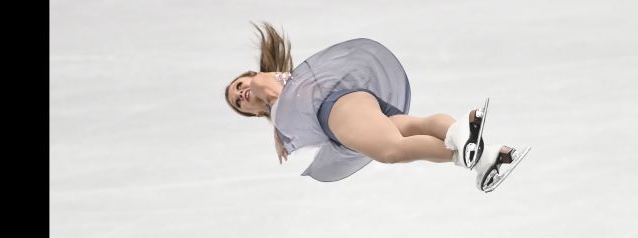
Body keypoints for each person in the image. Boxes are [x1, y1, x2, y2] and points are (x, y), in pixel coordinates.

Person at [224, 22, 529, 191]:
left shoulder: (263, 83)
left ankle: (466, 132)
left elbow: (287, 92)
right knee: (412, 128)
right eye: (237, 102)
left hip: (334, 110)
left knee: (392, 151)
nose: (241, 94)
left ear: (249, 77)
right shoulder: (275, 108)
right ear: (248, 114)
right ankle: (490, 156)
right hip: (346, 107)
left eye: (239, 86)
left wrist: (277, 130)